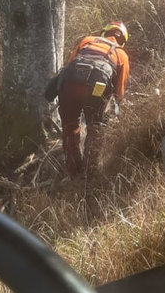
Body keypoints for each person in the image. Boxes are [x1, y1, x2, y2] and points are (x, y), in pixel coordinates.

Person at [54, 21, 129, 179]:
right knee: (96, 129)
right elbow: (119, 93)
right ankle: (89, 175)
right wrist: (114, 107)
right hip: (96, 88)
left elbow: (68, 65)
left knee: (70, 126)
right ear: (123, 40)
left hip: (69, 84)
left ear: (104, 32)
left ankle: (73, 171)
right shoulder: (121, 54)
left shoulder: (87, 40)